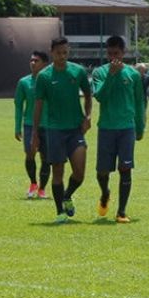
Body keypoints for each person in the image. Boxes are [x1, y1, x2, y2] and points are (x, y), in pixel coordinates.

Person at [31, 37, 93, 224]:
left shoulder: (78, 71)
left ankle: (67, 196)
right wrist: (35, 133)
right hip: (54, 130)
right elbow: (38, 106)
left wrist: (88, 116)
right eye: (59, 53)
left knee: (80, 172)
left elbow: (89, 95)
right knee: (58, 172)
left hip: (75, 129)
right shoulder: (44, 76)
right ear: (52, 52)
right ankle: (60, 212)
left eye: (65, 53)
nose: (62, 56)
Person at [91, 36, 146, 223]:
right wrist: (111, 76)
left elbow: (139, 103)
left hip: (126, 128)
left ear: (123, 53)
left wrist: (140, 126)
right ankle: (105, 192)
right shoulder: (99, 73)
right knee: (102, 172)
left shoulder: (133, 75)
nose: (113, 57)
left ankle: (121, 211)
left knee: (125, 168)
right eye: (110, 53)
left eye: (117, 53)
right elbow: (100, 96)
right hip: (106, 127)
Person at [14, 51, 51, 200]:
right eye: (31, 60)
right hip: (30, 124)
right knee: (30, 154)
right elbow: (18, 105)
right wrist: (17, 127)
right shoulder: (24, 82)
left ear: (44, 64)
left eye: (36, 61)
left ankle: (42, 189)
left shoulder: (50, 81)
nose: (33, 63)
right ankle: (33, 183)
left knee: (46, 158)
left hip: (48, 125)